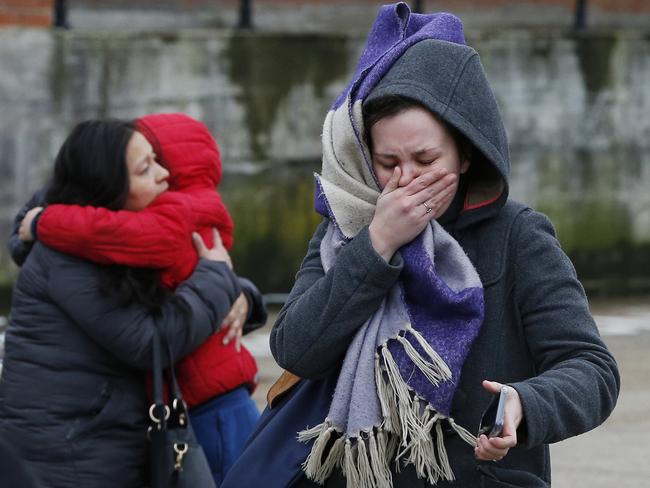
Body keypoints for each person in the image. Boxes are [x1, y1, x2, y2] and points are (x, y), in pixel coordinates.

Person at [234, 4, 619, 488]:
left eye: (425, 158)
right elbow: (295, 349)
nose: (405, 178)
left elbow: (592, 371)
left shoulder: (517, 235)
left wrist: (526, 403)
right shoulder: (346, 228)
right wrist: (376, 246)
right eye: (386, 161)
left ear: (464, 154)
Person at [10, 113, 268, 486]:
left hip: (105, 436)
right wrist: (218, 279)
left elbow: (176, 274)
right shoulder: (71, 256)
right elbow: (151, 341)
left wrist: (241, 291)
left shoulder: (115, 238)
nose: (164, 176)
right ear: (109, 185)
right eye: (146, 168)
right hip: (70, 453)